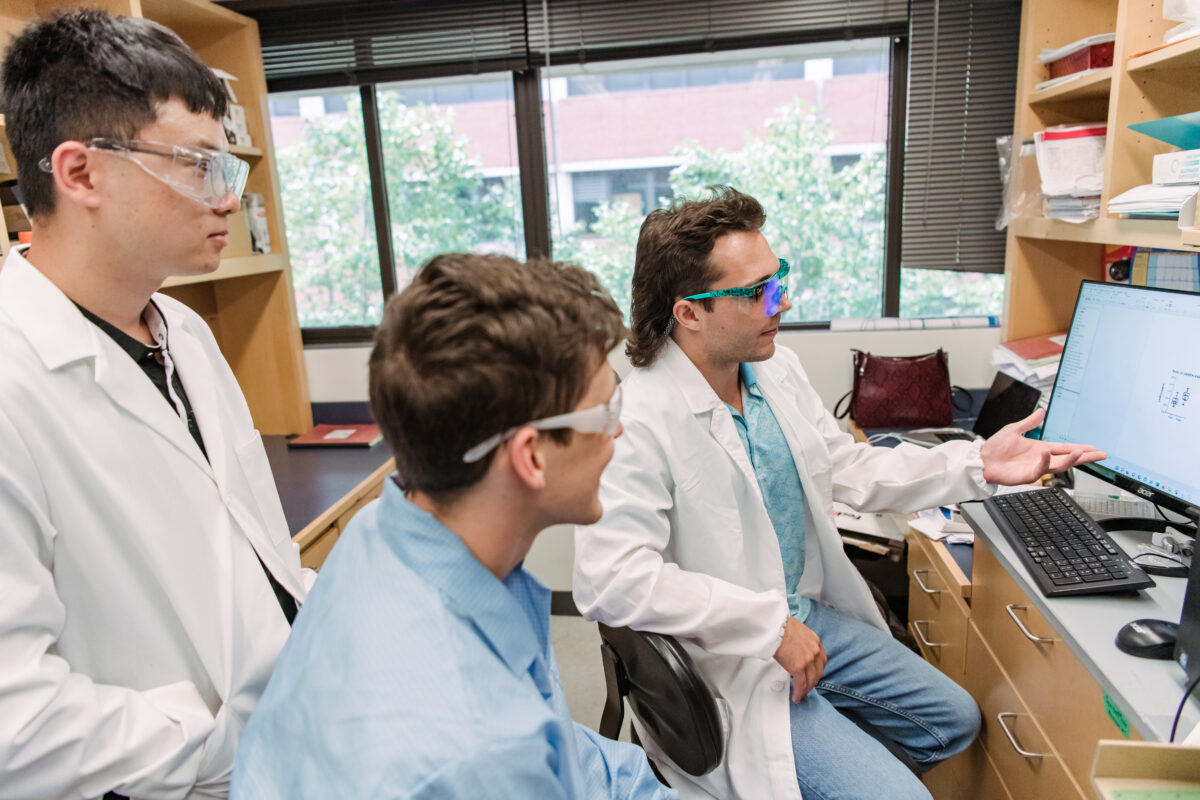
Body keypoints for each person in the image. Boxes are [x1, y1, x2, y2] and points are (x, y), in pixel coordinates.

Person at [572, 186, 1106, 800]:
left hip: (806, 613)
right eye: (756, 292)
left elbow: (846, 467)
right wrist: (768, 629)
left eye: (779, 279)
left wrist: (977, 463)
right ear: (689, 312)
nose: (783, 301)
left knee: (954, 720)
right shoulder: (638, 416)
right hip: (727, 657)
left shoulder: (774, 369)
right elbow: (612, 579)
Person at [0, 11, 312, 799]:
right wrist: (214, 746)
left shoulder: (188, 335)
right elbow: (15, 720)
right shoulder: (12, 379)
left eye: (229, 169)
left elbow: (246, 553)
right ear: (80, 173)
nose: (228, 200)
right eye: (197, 165)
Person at [232, 253, 674, 799]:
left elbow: (562, 746)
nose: (620, 432)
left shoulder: (380, 531)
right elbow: (512, 751)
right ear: (531, 456)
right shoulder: (475, 750)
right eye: (606, 413)